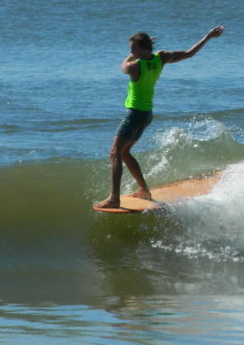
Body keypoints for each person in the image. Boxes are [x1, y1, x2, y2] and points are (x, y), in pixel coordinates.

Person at [96, 25, 225, 209]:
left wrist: (131, 56)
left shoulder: (134, 67)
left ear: (141, 49)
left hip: (134, 115)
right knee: (124, 152)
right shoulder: (161, 58)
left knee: (115, 153)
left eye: (133, 48)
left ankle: (114, 198)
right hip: (147, 115)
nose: (131, 52)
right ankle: (144, 191)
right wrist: (207, 37)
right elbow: (189, 53)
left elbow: (123, 66)